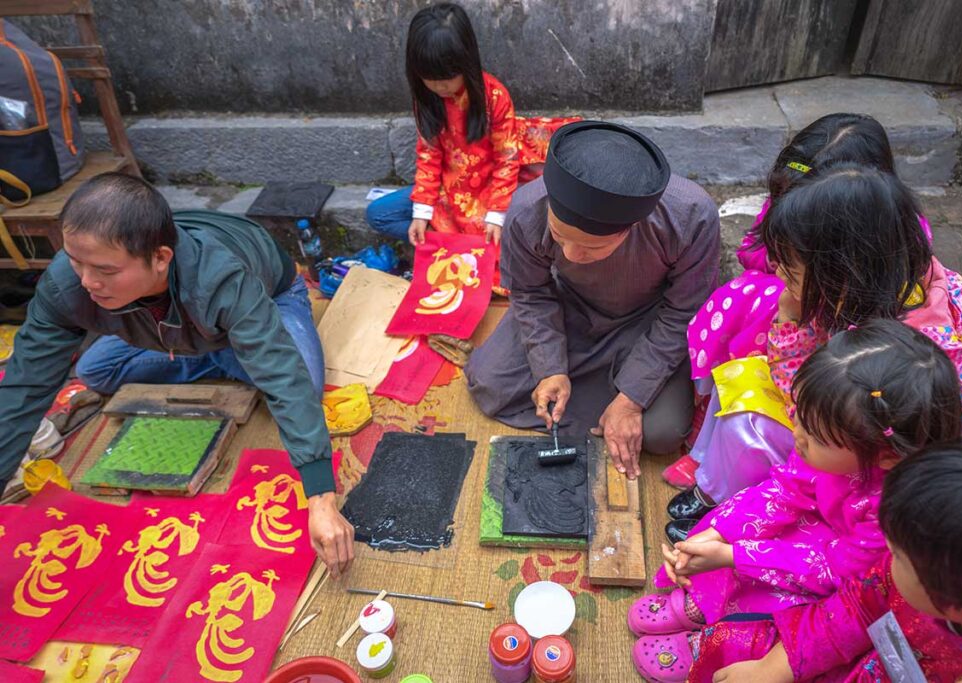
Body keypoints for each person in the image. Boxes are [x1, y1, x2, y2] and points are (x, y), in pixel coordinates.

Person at [0, 173, 354, 577]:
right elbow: (23, 388)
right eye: (75, 260)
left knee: (299, 381)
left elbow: (282, 376)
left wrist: (321, 498)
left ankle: (227, 345)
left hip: (269, 294)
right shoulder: (71, 285)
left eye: (103, 269)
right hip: (168, 324)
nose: (87, 281)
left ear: (161, 258)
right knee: (95, 370)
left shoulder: (219, 278)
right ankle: (216, 352)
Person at [667, 165, 962, 541]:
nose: (781, 279)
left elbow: (815, 409)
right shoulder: (890, 283)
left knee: (749, 424)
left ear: (842, 272)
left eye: (794, 274)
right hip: (847, 420)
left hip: (867, 463)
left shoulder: (894, 349)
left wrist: (788, 321)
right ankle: (715, 487)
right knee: (739, 377)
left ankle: (731, 506)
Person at [628, 320, 962, 681]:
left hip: (838, 580)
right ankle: (706, 599)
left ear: (885, 456)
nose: (798, 435)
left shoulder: (895, 517)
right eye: (799, 416)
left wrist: (735, 555)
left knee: (784, 601)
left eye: (815, 433)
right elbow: (787, 488)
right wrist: (721, 536)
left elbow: (837, 574)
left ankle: (717, 639)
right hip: (815, 539)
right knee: (738, 514)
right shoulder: (837, 452)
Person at [664, 113, 932, 490]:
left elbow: (817, 392)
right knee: (743, 302)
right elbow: (752, 250)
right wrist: (791, 273)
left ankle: (729, 470)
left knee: (757, 323)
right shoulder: (804, 241)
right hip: (806, 326)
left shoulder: (879, 328)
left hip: (814, 375)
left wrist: (790, 307)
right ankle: (707, 421)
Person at [465, 120, 721, 476]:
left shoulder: (690, 216)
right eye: (559, 236)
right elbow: (532, 293)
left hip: (647, 321)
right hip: (570, 308)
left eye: (592, 246)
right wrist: (550, 367)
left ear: (632, 227)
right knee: (491, 383)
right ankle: (595, 396)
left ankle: (619, 400)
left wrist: (631, 398)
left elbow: (684, 312)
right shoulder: (526, 208)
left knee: (660, 433)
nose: (570, 255)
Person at [691, 434, 962, 682]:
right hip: (860, 661)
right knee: (733, 648)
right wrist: (774, 669)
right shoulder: (955, 578)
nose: (883, 562)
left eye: (895, 554)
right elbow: (855, 606)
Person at [365, 3, 575, 265]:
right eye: (430, 77)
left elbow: (506, 159)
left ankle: (454, 245)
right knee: (378, 214)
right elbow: (428, 157)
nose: (440, 86)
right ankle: (447, 241)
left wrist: (496, 214)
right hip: (447, 194)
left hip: (491, 191)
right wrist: (422, 213)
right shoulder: (427, 100)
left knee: (509, 230)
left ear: (466, 61)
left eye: (448, 76)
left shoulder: (494, 97)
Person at [736, 112, 932, 274]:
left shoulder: (902, 234)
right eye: (784, 194)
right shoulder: (781, 199)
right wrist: (780, 262)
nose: (788, 202)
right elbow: (749, 250)